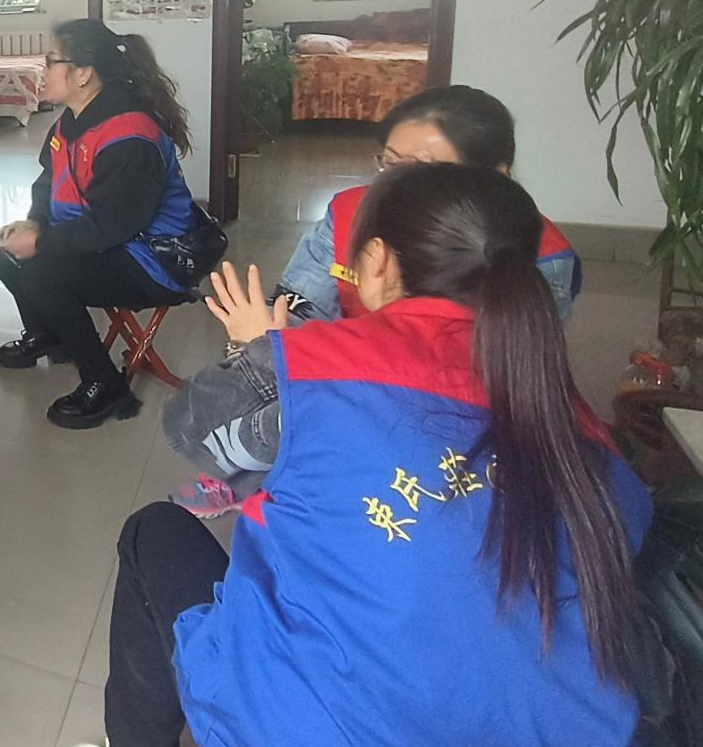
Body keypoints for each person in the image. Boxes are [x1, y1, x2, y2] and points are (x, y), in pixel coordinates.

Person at [62, 164, 649, 747]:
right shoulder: (579, 424)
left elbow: (192, 429)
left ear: (375, 262)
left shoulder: (316, 365)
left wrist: (259, 352)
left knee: (154, 534)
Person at [165, 84, 584, 517]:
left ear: (493, 176)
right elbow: (299, 306)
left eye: (423, 170)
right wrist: (268, 342)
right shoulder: (350, 213)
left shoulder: (539, 255)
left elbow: (505, 370)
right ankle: (256, 474)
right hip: (348, 374)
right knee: (264, 363)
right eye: (390, 163)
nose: (392, 185)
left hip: (451, 406)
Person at [0, 20, 200, 430]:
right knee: (8, 256)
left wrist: (43, 243)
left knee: (41, 274)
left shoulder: (130, 134)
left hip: (152, 258)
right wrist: (34, 223)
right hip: (107, 240)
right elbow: (48, 183)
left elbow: (112, 225)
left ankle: (105, 384)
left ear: (84, 73)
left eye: (51, 61)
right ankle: (48, 334)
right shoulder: (70, 122)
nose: (43, 69)